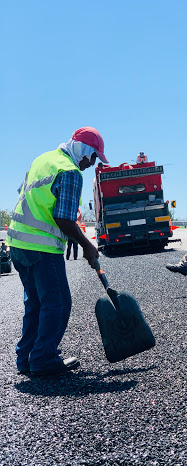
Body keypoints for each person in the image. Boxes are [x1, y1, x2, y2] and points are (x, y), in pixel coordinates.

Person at [6, 127, 108, 376]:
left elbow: (23, 194)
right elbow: (63, 218)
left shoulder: (42, 160)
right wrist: (87, 244)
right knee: (58, 302)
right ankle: (43, 358)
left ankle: (27, 358)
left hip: (18, 245)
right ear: (84, 150)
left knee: (36, 304)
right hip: (41, 248)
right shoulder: (70, 171)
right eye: (93, 157)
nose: (91, 163)